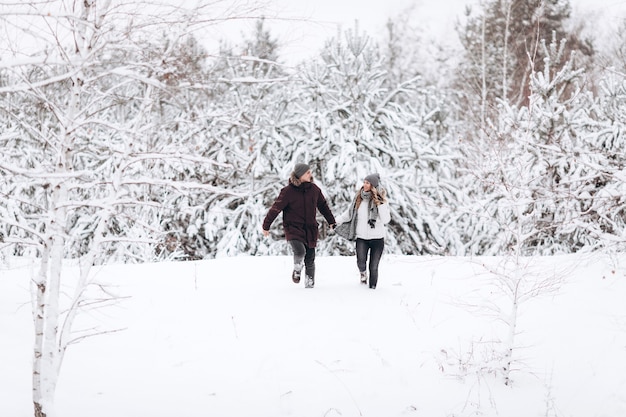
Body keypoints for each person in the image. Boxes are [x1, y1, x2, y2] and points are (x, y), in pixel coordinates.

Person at [262, 163, 336, 288]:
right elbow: (276, 208)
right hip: (293, 228)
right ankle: (297, 269)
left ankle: (309, 285)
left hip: (310, 229)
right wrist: (266, 225)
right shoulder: (287, 192)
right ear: (300, 175)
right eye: (308, 172)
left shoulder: (314, 190)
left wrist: (331, 221)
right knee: (300, 251)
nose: (310, 174)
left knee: (310, 259)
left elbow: (323, 206)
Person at [335, 173, 391, 289]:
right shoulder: (359, 198)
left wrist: (379, 203)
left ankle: (372, 289)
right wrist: (335, 221)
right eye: (364, 182)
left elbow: (386, 220)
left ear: (373, 186)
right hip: (362, 238)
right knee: (361, 262)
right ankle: (363, 274)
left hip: (377, 238)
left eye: (367, 183)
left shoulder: (382, 201)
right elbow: (348, 215)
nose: (364, 185)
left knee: (374, 266)